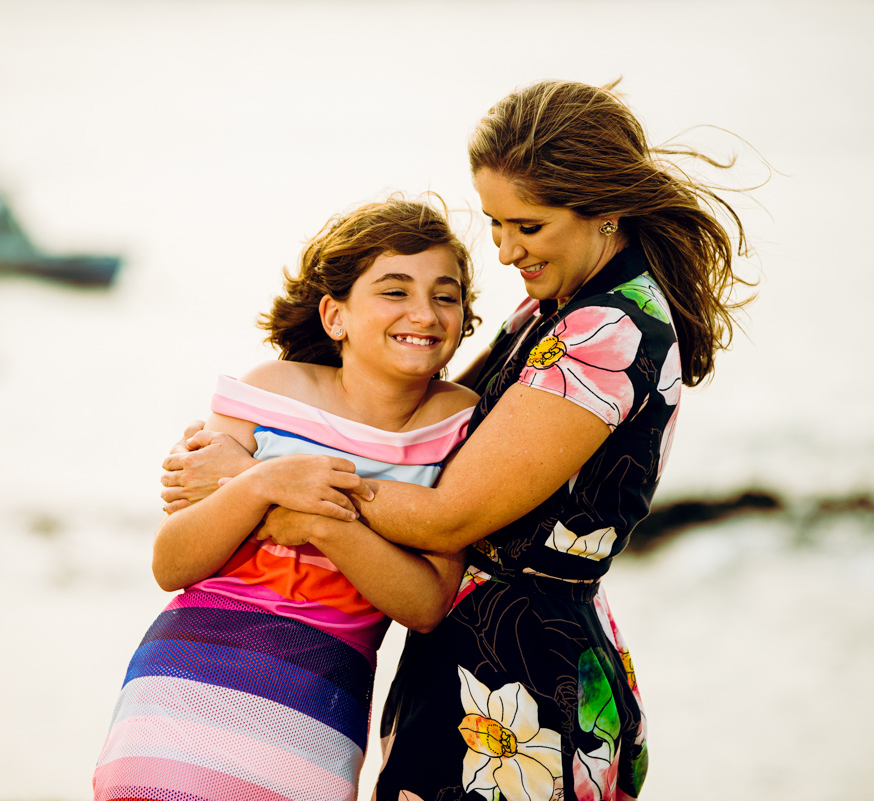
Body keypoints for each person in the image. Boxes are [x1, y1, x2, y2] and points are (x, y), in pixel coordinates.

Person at [160, 80, 754, 801]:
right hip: (472, 660)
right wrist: (261, 448)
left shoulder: (606, 334)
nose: (504, 251)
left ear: (604, 208)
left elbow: (447, 512)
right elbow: (419, 419)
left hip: (522, 681)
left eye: (526, 226)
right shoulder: (556, 307)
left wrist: (265, 488)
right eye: (496, 223)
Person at [92, 196, 484, 801]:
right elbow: (172, 564)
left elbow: (427, 604)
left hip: (320, 697)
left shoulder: (460, 425)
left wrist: (321, 523)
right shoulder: (269, 391)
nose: (424, 313)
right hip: (186, 678)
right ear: (336, 316)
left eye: (446, 294)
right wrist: (263, 482)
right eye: (395, 290)